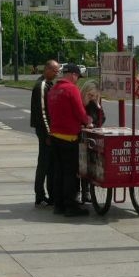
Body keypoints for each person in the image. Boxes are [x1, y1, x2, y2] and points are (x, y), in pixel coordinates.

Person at [47, 63, 93, 217]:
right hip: (69, 137)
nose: (77, 80)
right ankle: (71, 206)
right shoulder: (71, 89)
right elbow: (80, 112)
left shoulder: (53, 89)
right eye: (77, 77)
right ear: (73, 74)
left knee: (58, 172)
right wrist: (88, 121)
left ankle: (58, 205)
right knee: (71, 174)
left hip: (55, 136)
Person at [30, 59, 59, 206]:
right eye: (55, 70)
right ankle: (40, 194)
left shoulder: (48, 84)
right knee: (44, 163)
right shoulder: (42, 86)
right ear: (47, 69)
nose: (56, 73)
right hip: (44, 131)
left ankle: (47, 193)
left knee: (48, 163)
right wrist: (48, 134)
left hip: (47, 130)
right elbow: (43, 112)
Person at [79, 80, 105, 204]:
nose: (92, 98)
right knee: (82, 165)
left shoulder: (95, 104)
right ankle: (83, 192)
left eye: (94, 96)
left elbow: (102, 119)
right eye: (90, 95)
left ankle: (87, 191)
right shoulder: (80, 103)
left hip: (93, 136)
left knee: (91, 164)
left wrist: (98, 106)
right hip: (81, 137)